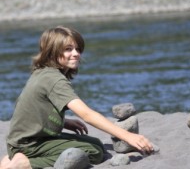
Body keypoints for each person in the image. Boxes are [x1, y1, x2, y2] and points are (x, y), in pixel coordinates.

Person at [6, 26, 154, 168]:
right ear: (52, 52)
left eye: (77, 49)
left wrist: (63, 122)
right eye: (68, 49)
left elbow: (33, 109)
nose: (76, 53)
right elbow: (87, 115)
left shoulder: (42, 72)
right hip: (30, 144)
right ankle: (25, 163)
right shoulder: (55, 80)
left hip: (20, 141)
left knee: (96, 143)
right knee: (94, 152)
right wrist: (128, 136)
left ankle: (14, 156)